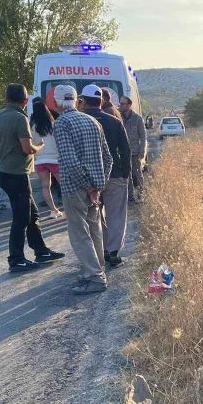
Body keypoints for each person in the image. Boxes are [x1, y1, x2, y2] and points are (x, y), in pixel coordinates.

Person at [0, 83, 65, 272]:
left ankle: (41, 250)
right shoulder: (19, 118)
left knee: (32, 214)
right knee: (21, 217)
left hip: (3, 171)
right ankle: (16, 259)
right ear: (25, 101)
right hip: (16, 174)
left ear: (6, 99)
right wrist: (39, 147)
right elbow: (26, 149)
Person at [52, 84, 113, 295]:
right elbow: (108, 158)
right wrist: (98, 185)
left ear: (56, 101)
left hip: (75, 187)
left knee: (80, 233)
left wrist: (88, 187)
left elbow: (70, 162)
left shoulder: (61, 124)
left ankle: (94, 277)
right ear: (76, 99)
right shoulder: (93, 121)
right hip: (94, 187)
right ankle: (97, 270)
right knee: (94, 229)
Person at [78, 84, 131, 268]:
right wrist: (126, 173)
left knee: (94, 215)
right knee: (116, 214)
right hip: (115, 174)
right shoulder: (114, 121)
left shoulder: (80, 121)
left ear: (83, 101)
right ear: (102, 100)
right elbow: (125, 149)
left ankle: (100, 251)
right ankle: (113, 252)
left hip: (89, 178)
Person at [30, 97, 63, 219]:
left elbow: (32, 142)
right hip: (55, 159)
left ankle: (54, 210)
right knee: (64, 185)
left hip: (40, 160)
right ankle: (70, 209)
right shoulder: (54, 124)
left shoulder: (33, 127)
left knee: (45, 186)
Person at [119, 96, 147, 203]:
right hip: (123, 152)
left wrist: (142, 150)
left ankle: (140, 195)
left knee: (137, 173)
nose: (120, 106)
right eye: (120, 104)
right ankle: (130, 197)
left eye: (122, 104)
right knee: (127, 175)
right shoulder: (119, 117)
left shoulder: (137, 118)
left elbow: (143, 136)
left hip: (135, 151)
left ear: (129, 105)